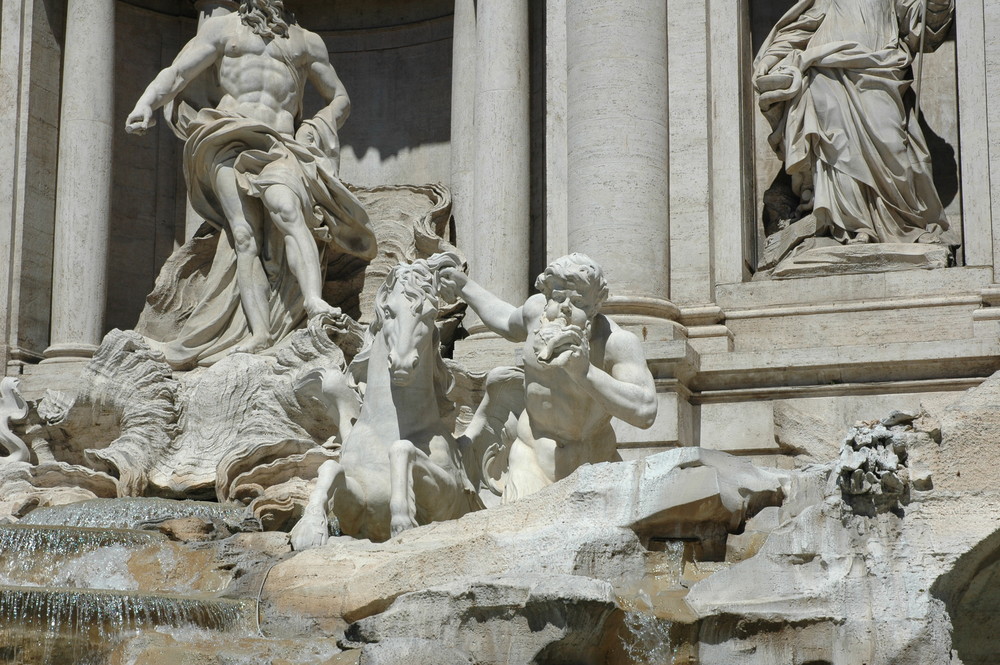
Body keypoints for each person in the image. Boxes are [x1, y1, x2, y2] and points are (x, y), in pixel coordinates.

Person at [126, 0, 376, 368]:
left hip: (280, 142)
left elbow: (340, 98)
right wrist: (145, 103)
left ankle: (313, 304)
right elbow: (178, 73)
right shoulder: (222, 28)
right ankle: (260, 334)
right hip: (227, 135)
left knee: (289, 211)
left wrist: (315, 125)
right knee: (244, 236)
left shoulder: (307, 42)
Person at [440, 254, 657, 501]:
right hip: (530, 458)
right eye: (557, 297)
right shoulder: (536, 313)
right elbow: (503, 318)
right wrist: (464, 285)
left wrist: (585, 372)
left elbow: (645, 411)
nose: (564, 308)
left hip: (593, 465)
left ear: (596, 306)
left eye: (577, 301)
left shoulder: (616, 343)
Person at [754, 0, 954, 246]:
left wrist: (937, 4)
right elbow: (798, 30)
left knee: (892, 145)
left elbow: (923, 32)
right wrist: (769, 61)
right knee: (838, 148)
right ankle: (854, 227)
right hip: (826, 71)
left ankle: (905, 223)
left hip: (879, 67)